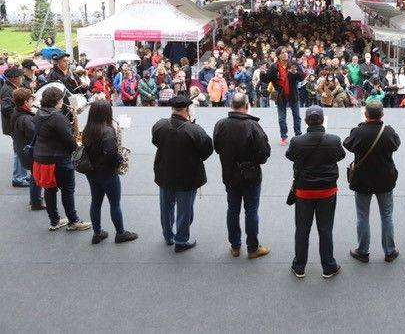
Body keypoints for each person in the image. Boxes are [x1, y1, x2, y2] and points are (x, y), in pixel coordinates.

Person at [285, 106, 345, 279]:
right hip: (327, 191)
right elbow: (340, 156)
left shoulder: (297, 141)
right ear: (322, 120)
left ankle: (299, 266)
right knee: (325, 229)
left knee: (302, 229)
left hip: (304, 191)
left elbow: (290, 156)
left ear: (305, 121)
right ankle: (328, 266)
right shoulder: (333, 140)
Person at [152, 95, 213, 252]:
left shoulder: (160, 125)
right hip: (188, 177)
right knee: (185, 211)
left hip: (165, 173)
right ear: (187, 110)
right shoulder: (195, 130)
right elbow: (206, 151)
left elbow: (155, 141)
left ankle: (168, 236)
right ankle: (181, 240)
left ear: (172, 108)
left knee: (166, 208)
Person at [213, 93, 271, 258]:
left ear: (232, 105)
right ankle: (252, 248)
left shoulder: (221, 124)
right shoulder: (253, 125)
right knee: (251, 211)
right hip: (250, 175)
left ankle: (235, 246)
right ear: (247, 105)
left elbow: (217, 147)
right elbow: (264, 153)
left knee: (233, 209)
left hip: (230, 173)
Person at [343, 100, 401, 263]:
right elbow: (396, 145)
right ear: (382, 114)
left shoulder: (358, 132)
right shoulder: (389, 132)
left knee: (362, 216)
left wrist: (361, 127)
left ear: (365, 114)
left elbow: (347, 144)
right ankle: (389, 251)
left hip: (362, 180)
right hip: (385, 179)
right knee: (387, 216)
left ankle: (363, 250)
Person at [33, 87, 91, 231]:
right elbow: (69, 140)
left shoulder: (38, 114)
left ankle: (54, 221)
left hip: (41, 158)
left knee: (49, 190)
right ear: (58, 101)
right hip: (59, 158)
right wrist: (77, 148)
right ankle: (73, 221)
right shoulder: (58, 117)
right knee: (67, 191)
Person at [82, 100, 138, 244]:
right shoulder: (108, 130)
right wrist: (119, 162)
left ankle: (97, 233)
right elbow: (111, 154)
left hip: (92, 172)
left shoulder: (88, 129)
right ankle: (120, 233)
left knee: (96, 202)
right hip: (107, 173)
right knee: (115, 203)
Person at [261, 46, 305, 146]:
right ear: (278, 56)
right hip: (280, 94)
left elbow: (302, 77)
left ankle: (298, 135)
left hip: (293, 93)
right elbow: (267, 79)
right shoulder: (274, 67)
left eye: (286, 52)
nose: (285, 54)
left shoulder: (293, 64)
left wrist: (296, 73)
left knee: (297, 116)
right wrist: (262, 73)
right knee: (282, 118)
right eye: (282, 53)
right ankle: (283, 137)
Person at [10, 88, 45, 210]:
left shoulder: (18, 113)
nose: (32, 102)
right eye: (31, 100)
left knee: (35, 176)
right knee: (36, 177)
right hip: (30, 152)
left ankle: (35, 199)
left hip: (23, 149)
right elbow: (35, 134)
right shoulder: (25, 118)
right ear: (25, 102)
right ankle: (36, 202)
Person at [1, 66, 30, 187]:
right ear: (14, 78)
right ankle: (19, 177)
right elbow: (6, 109)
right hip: (14, 125)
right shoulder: (8, 90)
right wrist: (20, 117)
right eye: (20, 76)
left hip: (14, 124)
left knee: (19, 150)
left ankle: (20, 175)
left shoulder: (12, 87)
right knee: (19, 150)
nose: (22, 78)